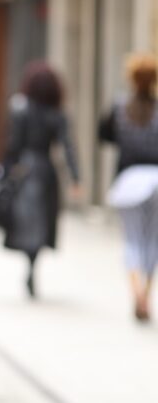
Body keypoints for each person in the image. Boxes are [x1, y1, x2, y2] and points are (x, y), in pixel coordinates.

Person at [1, 61, 81, 299]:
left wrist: (4, 171)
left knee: (27, 220)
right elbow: (68, 147)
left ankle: (30, 262)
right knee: (41, 221)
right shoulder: (57, 114)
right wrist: (76, 178)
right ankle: (33, 264)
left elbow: (12, 145)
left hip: (25, 170)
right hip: (46, 171)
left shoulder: (21, 110)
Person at [100, 53, 158, 323]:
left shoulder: (121, 107)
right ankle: (146, 293)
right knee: (152, 241)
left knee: (132, 240)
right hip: (155, 180)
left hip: (129, 181)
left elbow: (104, 135)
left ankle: (137, 294)